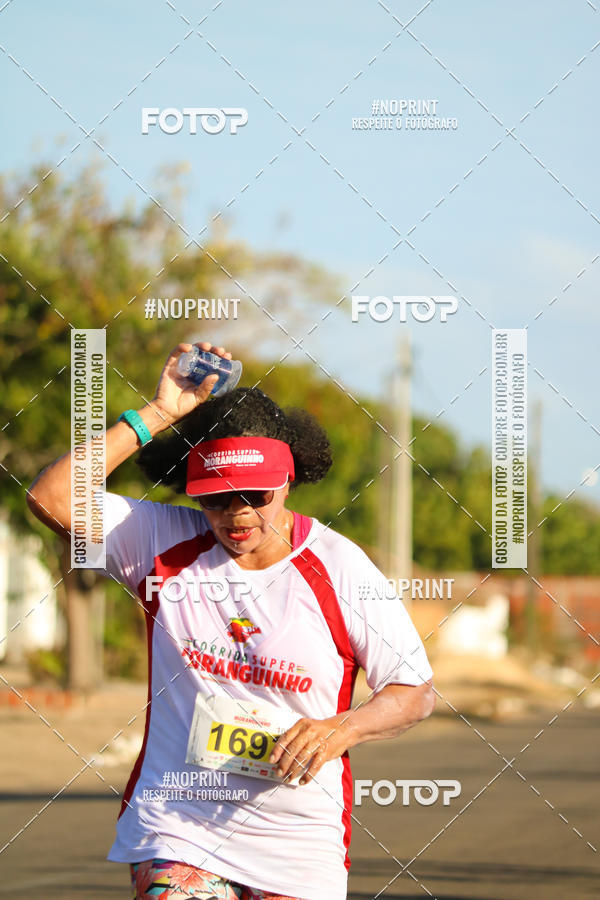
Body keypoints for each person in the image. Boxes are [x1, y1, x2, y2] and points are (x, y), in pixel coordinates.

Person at [27, 341, 435, 900]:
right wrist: (160, 414)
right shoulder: (161, 543)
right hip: (178, 828)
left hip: (298, 845)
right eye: (217, 497)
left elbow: (413, 691)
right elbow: (53, 498)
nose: (237, 512)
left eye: (254, 494)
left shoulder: (340, 569)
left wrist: (341, 729)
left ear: (288, 480)